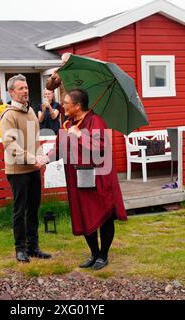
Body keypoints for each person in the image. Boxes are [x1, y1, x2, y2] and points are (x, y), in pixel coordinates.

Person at [41, 88, 127, 270]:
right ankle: (94, 253)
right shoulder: (68, 123)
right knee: (84, 213)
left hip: (99, 178)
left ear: (78, 106)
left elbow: (101, 147)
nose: (63, 105)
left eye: (66, 103)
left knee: (104, 216)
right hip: (78, 178)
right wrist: (46, 158)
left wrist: (80, 136)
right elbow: (60, 146)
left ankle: (103, 255)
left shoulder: (95, 121)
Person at [0, 74, 51, 263]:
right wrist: (32, 159)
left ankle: (33, 247)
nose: (25, 91)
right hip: (17, 171)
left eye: (26, 87)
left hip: (34, 169)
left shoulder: (30, 112)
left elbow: (33, 141)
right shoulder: (9, 115)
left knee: (33, 209)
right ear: (11, 92)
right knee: (19, 211)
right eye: (21, 88)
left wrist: (39, 158)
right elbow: (10, 146)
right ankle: (20, 249)